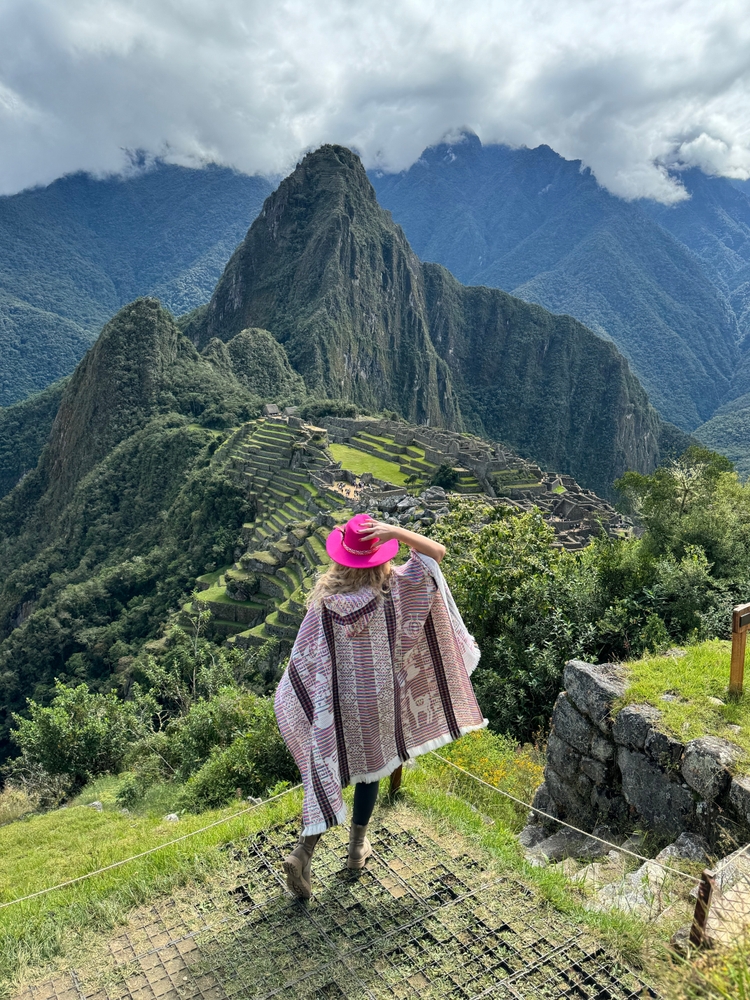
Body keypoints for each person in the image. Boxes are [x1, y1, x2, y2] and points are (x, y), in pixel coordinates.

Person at [274, 512, 487, 899]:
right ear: (379, 557)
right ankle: (357, 850)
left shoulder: (325, 604)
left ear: (341, 559)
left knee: (330, 768)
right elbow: (435, 553)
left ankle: (304, 852)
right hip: (377, 704)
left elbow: (303, 660)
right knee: (373, 769)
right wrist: (396, 532)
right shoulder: (395, 589)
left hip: (336, 705)